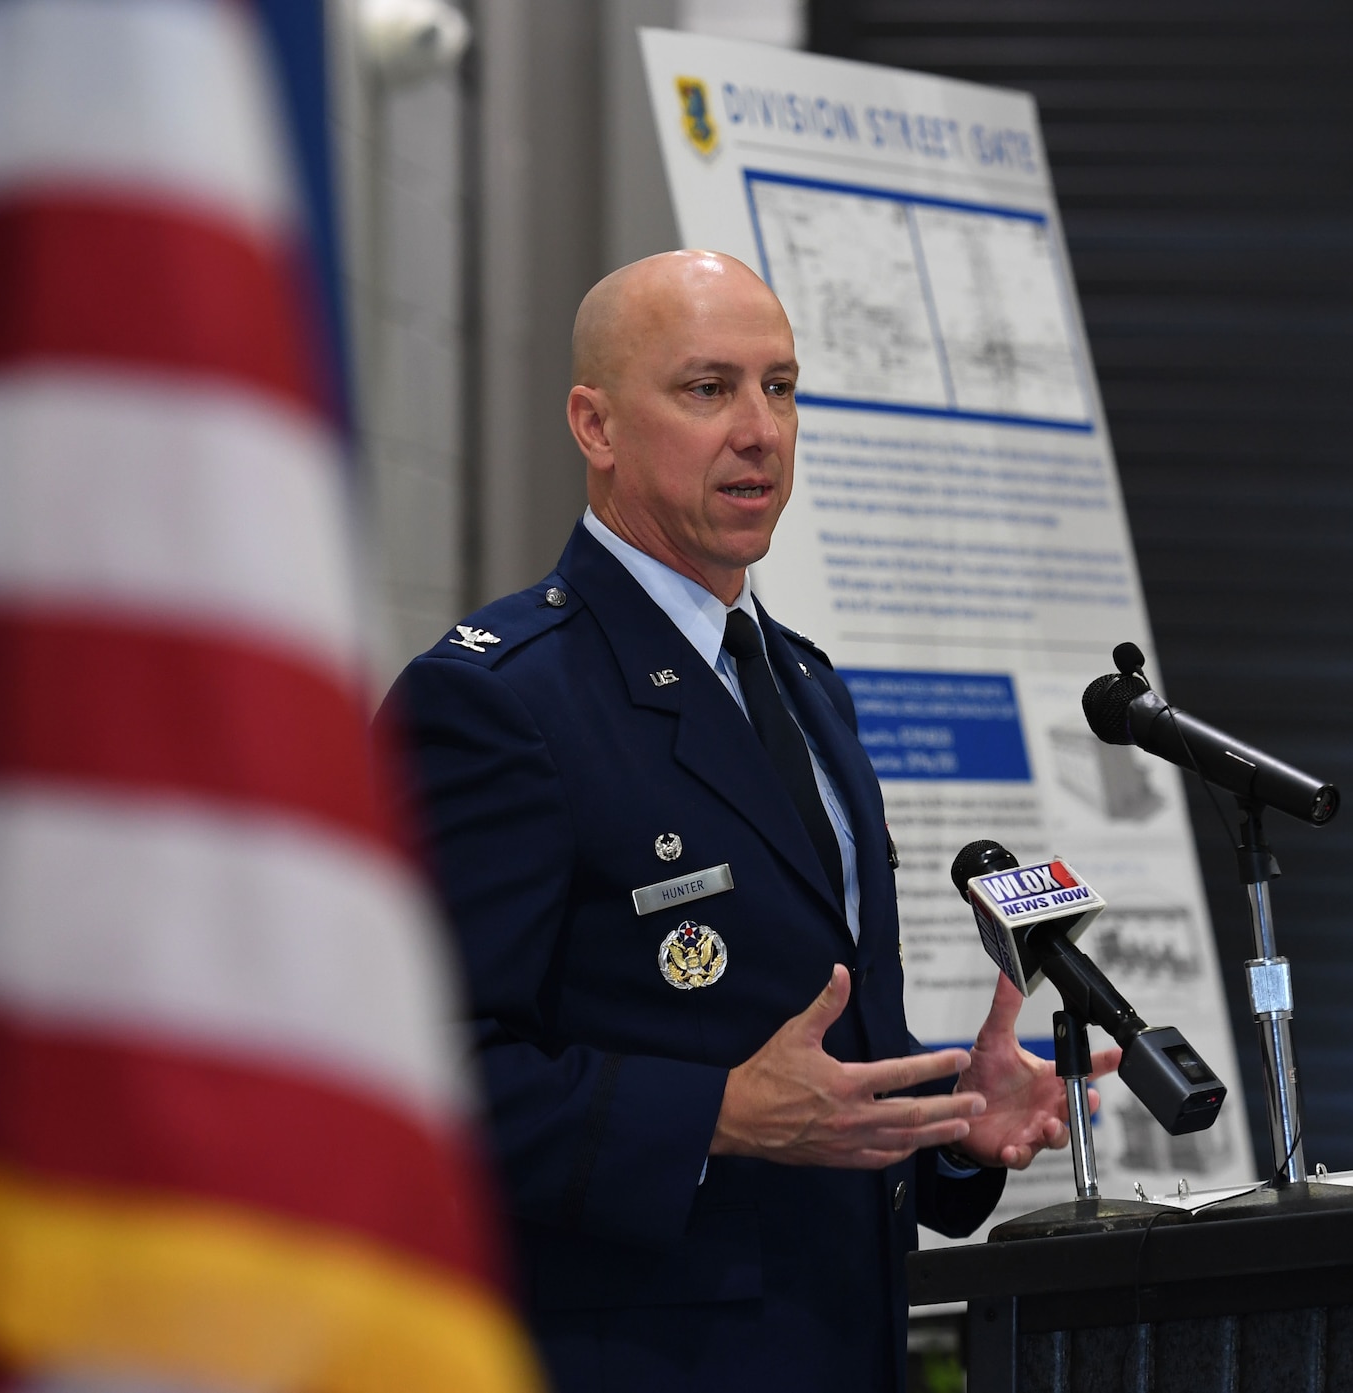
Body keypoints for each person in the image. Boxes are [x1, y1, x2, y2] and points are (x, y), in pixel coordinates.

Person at [381, 250, 1111, 1393]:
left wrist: (954, 1121)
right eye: (707, 389)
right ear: (595, 424)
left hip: (843, 1343)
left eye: (781, 387)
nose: (760, 431)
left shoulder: (806, 687)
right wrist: (711, 1114)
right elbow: (409, 1079)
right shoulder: (498, 700)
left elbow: (818, 1062)